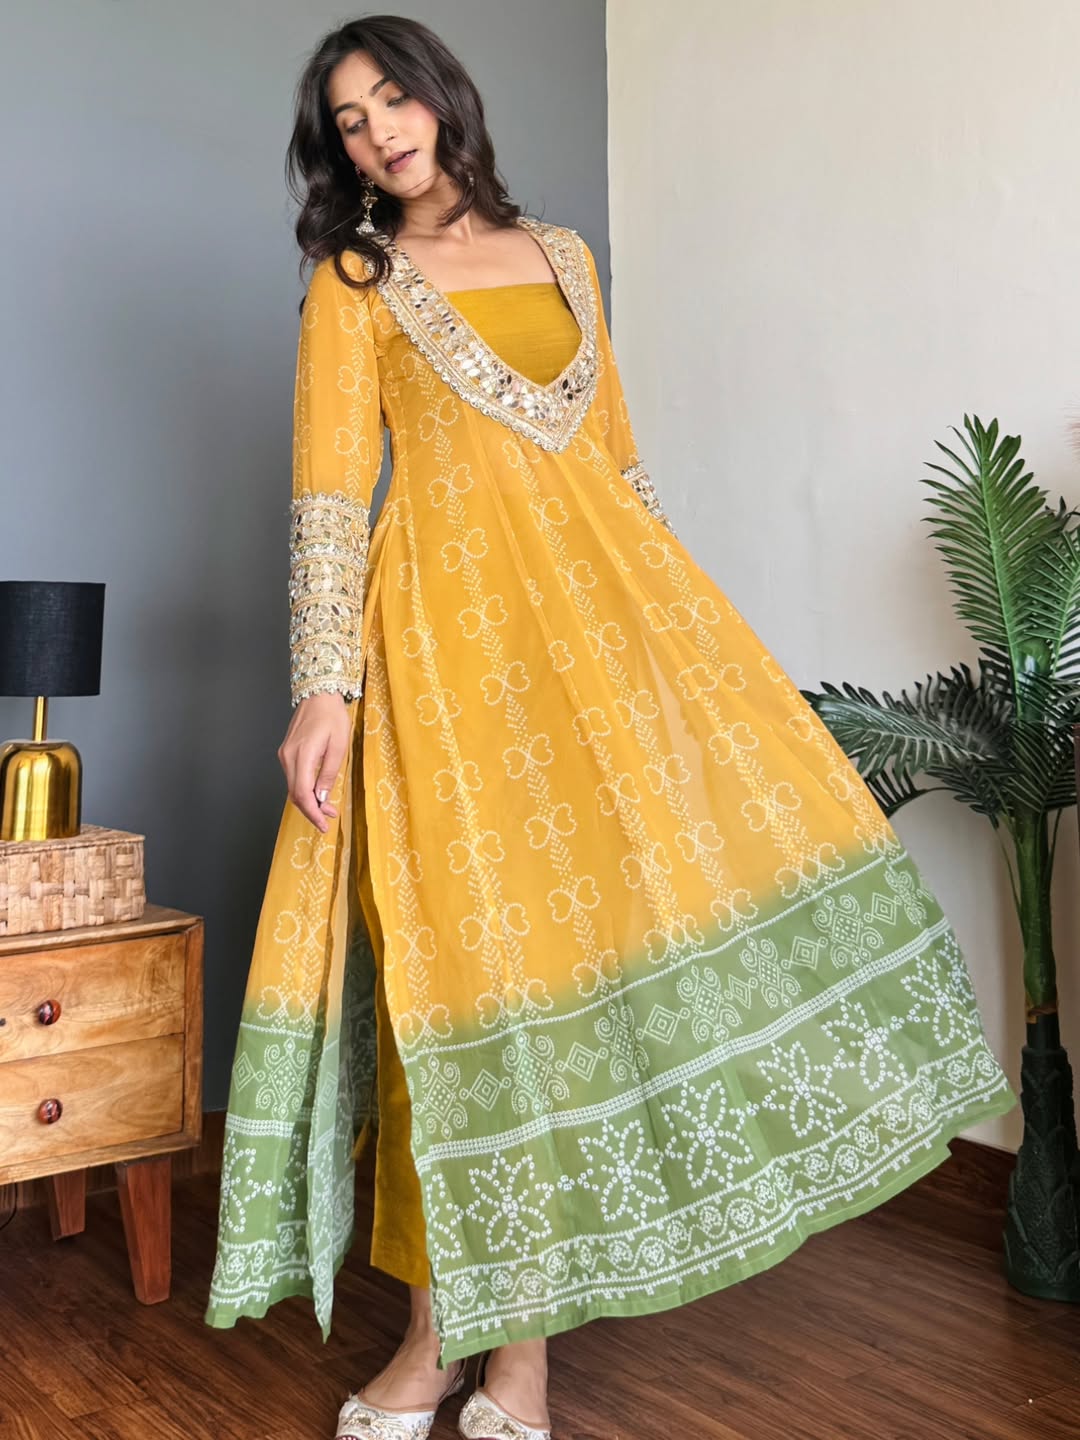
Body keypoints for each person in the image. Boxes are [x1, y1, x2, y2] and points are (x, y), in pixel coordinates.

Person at [205, 14, 1018, 1440]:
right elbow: (333, 496)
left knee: (578, 1004)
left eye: (395, 95)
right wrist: (323, 686)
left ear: (445, 98)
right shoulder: (356, 283)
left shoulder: (569, 256)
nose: (380, 130)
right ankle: (440, 1337)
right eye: (348, 119)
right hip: (449, 677)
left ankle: (522, 1362)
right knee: (461, 1002)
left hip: (592, 660)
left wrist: (673, 671)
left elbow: (620, 478)